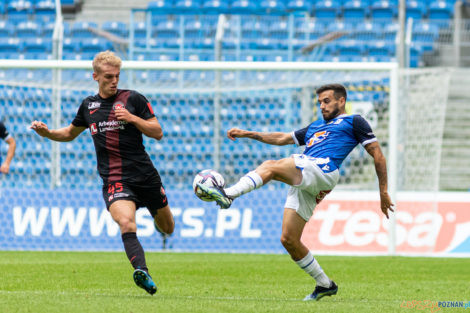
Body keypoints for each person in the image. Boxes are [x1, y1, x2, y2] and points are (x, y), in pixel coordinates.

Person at [197, 83, 394, 301]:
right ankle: (325, 284)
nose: (322, 106)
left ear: (341, 101)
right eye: (319, 102)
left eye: (326, 101)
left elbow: (378, 154)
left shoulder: (354, 121)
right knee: (289, 239)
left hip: (323, 168)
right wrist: (247, 133)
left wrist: (383, 192)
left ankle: (229, 194)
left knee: (271, 166)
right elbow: (281, 138)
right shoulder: (315, 126)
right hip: (308, 175)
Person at [30, 51, 174, 295]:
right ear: (95, 76)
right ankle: (142, 271)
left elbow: (157, 131)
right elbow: (69, 133)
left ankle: (152, 214)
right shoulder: (89, 106)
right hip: (115, 180)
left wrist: (131, 118)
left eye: (117, 76)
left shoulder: (134, 99)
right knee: (126, 222)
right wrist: (47, 133)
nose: (114, 81)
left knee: (168, 227)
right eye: (108, 76)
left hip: (146, 176)